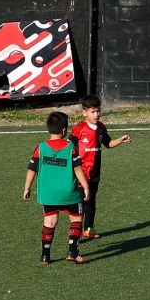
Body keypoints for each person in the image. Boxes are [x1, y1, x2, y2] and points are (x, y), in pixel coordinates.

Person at [23, 111, 92, 265]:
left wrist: (27, 188)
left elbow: (31, 169)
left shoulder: (40, 148)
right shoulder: (70, 148)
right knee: (76, 219)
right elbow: (77, 169)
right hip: (69, 193)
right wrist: (86, 187)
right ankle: (73, 253)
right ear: (64, 130)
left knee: (50, 221)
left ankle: (45, 256)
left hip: (49, 194)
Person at [69, 94, 131, 240]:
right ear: (84, 112)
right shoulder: (79, 128)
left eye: (98, 111)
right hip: (80, 173)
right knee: (79, 204)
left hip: (95, 173)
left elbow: (108, 144)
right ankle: (74, 234)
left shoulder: (101, 128)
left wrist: (120, 140)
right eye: (93, 112)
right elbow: (68, 146)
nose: (96, 115)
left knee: (91, 202)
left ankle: (88, 229)